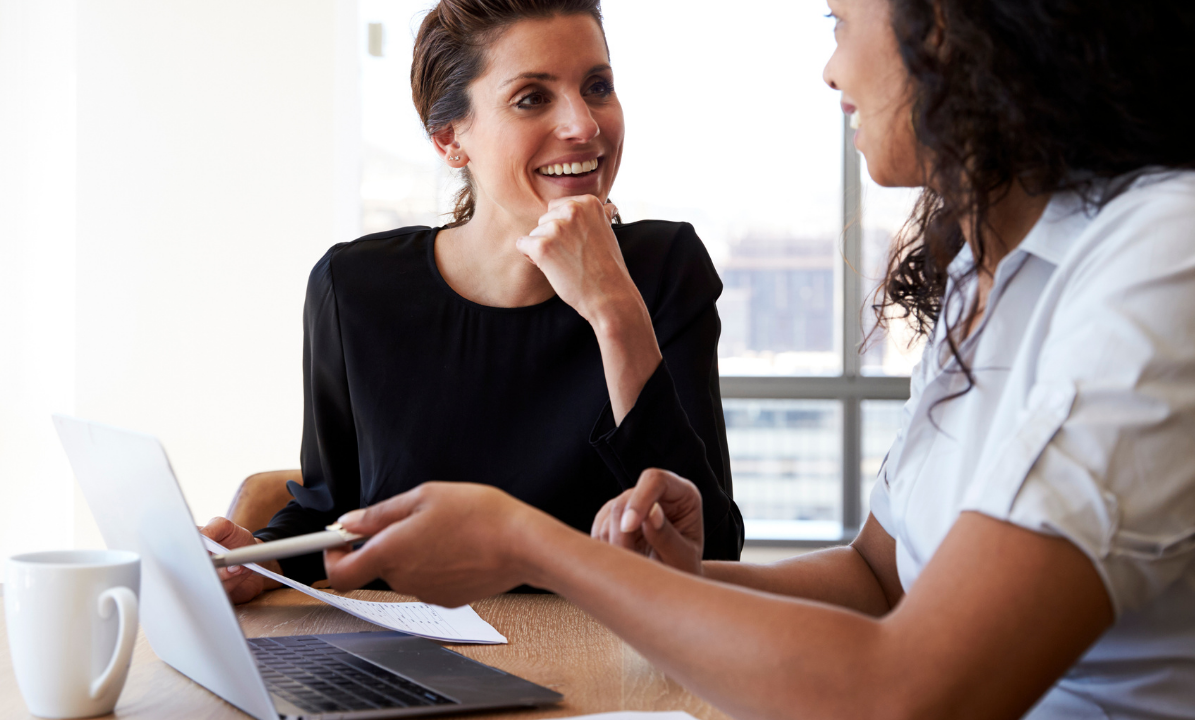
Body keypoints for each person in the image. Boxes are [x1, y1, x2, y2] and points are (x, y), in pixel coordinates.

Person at [316, 0, 1195, 717]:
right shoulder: (985, 275)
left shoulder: (1162, 254)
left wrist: (531, 546)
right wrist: (682, 581)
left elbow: (911, 689)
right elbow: (878, 577)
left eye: (839, 23)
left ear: (951, 33)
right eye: (532, 97)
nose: (832, 70)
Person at [202, 0, 744, 603]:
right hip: (411, 667)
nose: (585, 125)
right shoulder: (354, 287)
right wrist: (258, 561)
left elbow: (711, 551)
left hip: (602, 667)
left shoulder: (665, 268)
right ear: (449, 138)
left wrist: (614, 309)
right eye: (532, 97)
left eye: (597, 86)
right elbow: (334, 512)